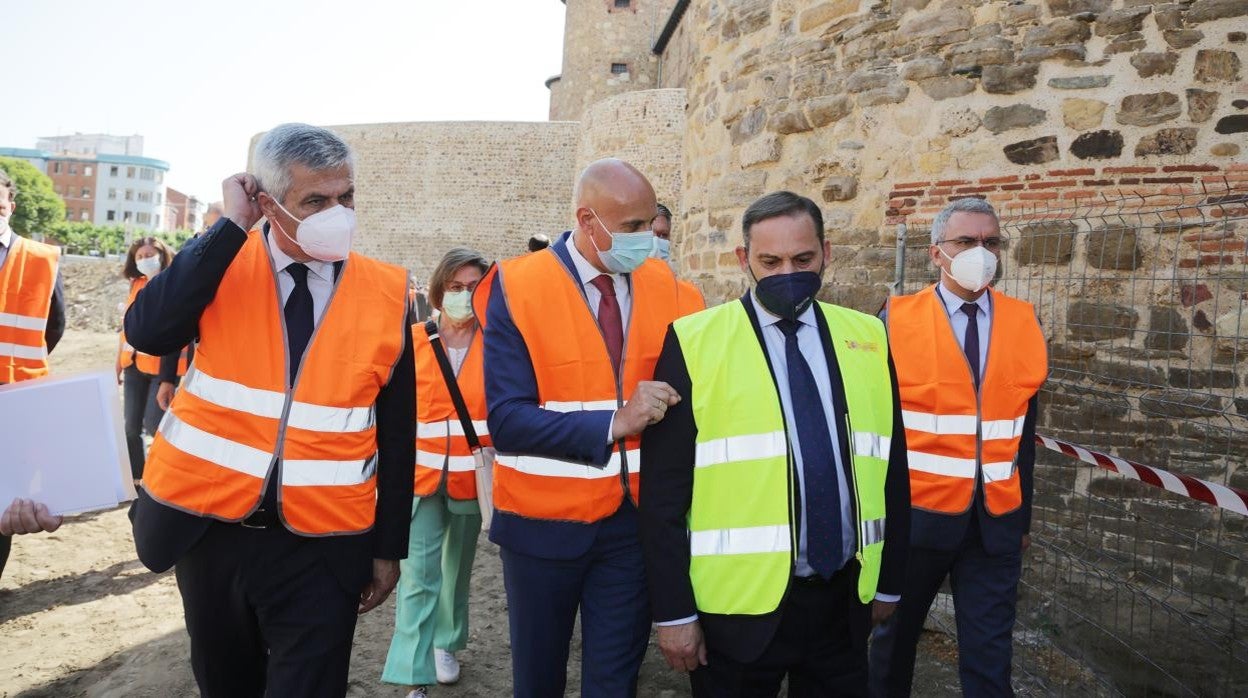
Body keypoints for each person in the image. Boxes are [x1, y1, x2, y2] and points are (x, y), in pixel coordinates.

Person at [125, 123, 416, 698]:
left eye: (347, 197)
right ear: (267, 201)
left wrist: (388, 549)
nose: (338, 213)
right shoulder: (220, 265)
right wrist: (231, 224)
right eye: (317, 201)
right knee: (226, 684)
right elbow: (149, 331)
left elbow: (399, 434)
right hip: (210, 533)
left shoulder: (388, 293)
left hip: (324, 545)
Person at [640, 191, 910, 697]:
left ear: (826, 253)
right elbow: (662, 495)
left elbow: (891, 468)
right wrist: (674, 613)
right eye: (771, 261)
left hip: (843, 602)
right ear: (745, 260)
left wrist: (889, 581)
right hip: (736, 615)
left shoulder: (869, 337)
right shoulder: (694, 341)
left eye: (803, 259)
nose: (788, 272)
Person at [477, 158, 705, 697]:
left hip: (632, 526)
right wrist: (616, 421)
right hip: (539, 525)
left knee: (614, 684)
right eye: (632, 227)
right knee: (538, 681)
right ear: (587, 219)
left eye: (651, 224)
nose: (647, 240)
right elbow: (507, 420)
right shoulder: (516, 283)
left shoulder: (672, 289)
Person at [869, 197, 1046, 697]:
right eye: (966, 242)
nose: (981, 252)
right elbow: (880, 430)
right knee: (892, 647)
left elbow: (1023, 432)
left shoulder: (1022, 320)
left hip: (994, 525)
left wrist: (1023, 518)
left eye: (991, 242)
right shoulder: (894, 320)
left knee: (991, 658)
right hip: (915, 520)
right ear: (935, 253)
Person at [383, 248, 491, 698]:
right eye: (455, 287)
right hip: (421, 479)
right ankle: (413, 674)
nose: (463, 295)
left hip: (471, 478)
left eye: (472, 288)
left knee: (457, 569)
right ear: (439, 289)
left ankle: (447, 642)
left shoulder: (498, 343)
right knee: (417, 575)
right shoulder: (410, 339)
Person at [0, 167, 66, 579]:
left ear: (11, 206)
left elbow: (54, 325)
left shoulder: (41, 259)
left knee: (5, 496)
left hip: (16, 397)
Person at [115, 236, 185, 482]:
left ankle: (163, 476)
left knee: (155, 424)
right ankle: (138, 479)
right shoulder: (136, 284)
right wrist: (117, 366)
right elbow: (125, 329)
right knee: (131, 428)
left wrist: (168, 379)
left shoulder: (173, 283)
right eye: (140, 256)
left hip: (162, 369)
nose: (145, 260)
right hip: (134, 366)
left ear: (162, 255)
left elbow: (175, 330)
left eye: (150, 255)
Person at [649, 203, 705, 315]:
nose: (655, 241)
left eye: (663, 235)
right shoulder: (621, 294)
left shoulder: (691, 296)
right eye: (649, 234)